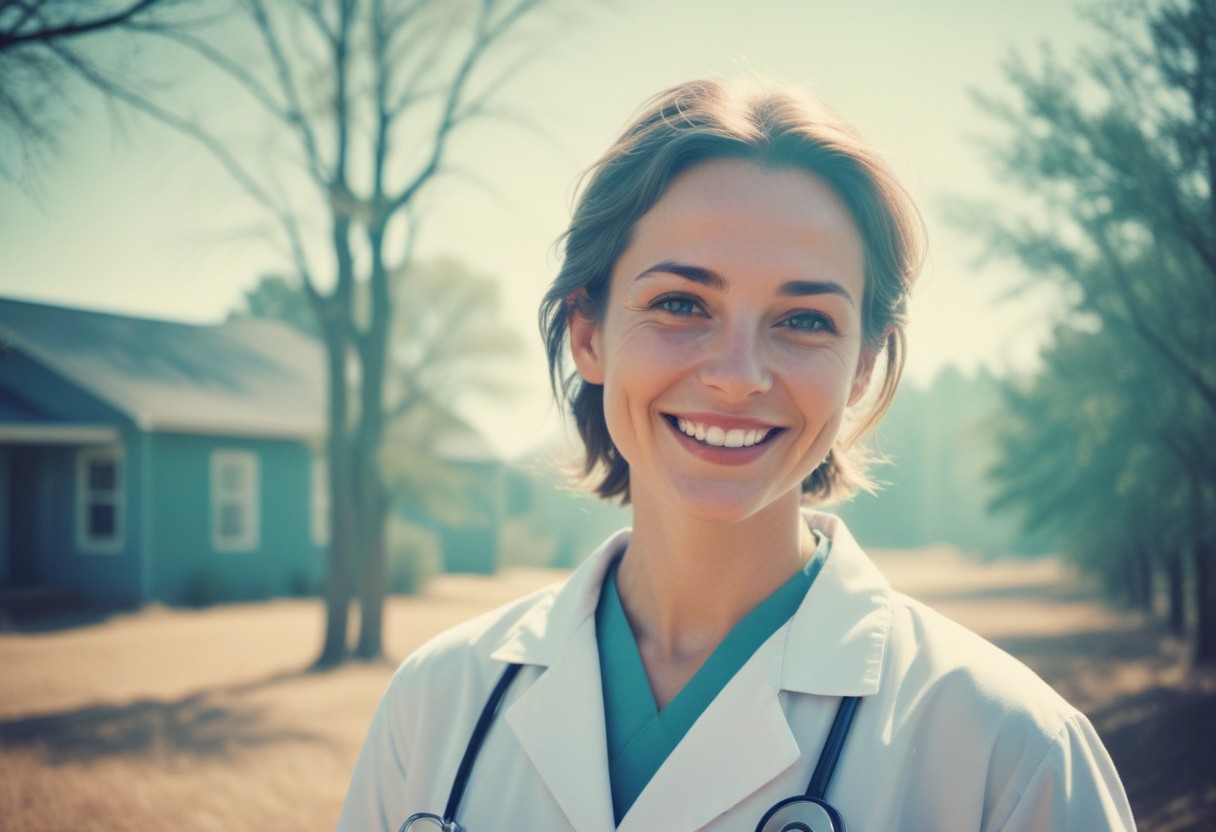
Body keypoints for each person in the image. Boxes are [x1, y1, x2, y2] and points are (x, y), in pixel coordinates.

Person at [337, 77, 1135, 832]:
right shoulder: (438, 705)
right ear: (588, 334)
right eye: (681, 303)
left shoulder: (1014, 755)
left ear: (862, 365)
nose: (736, 376)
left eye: (805, 321)